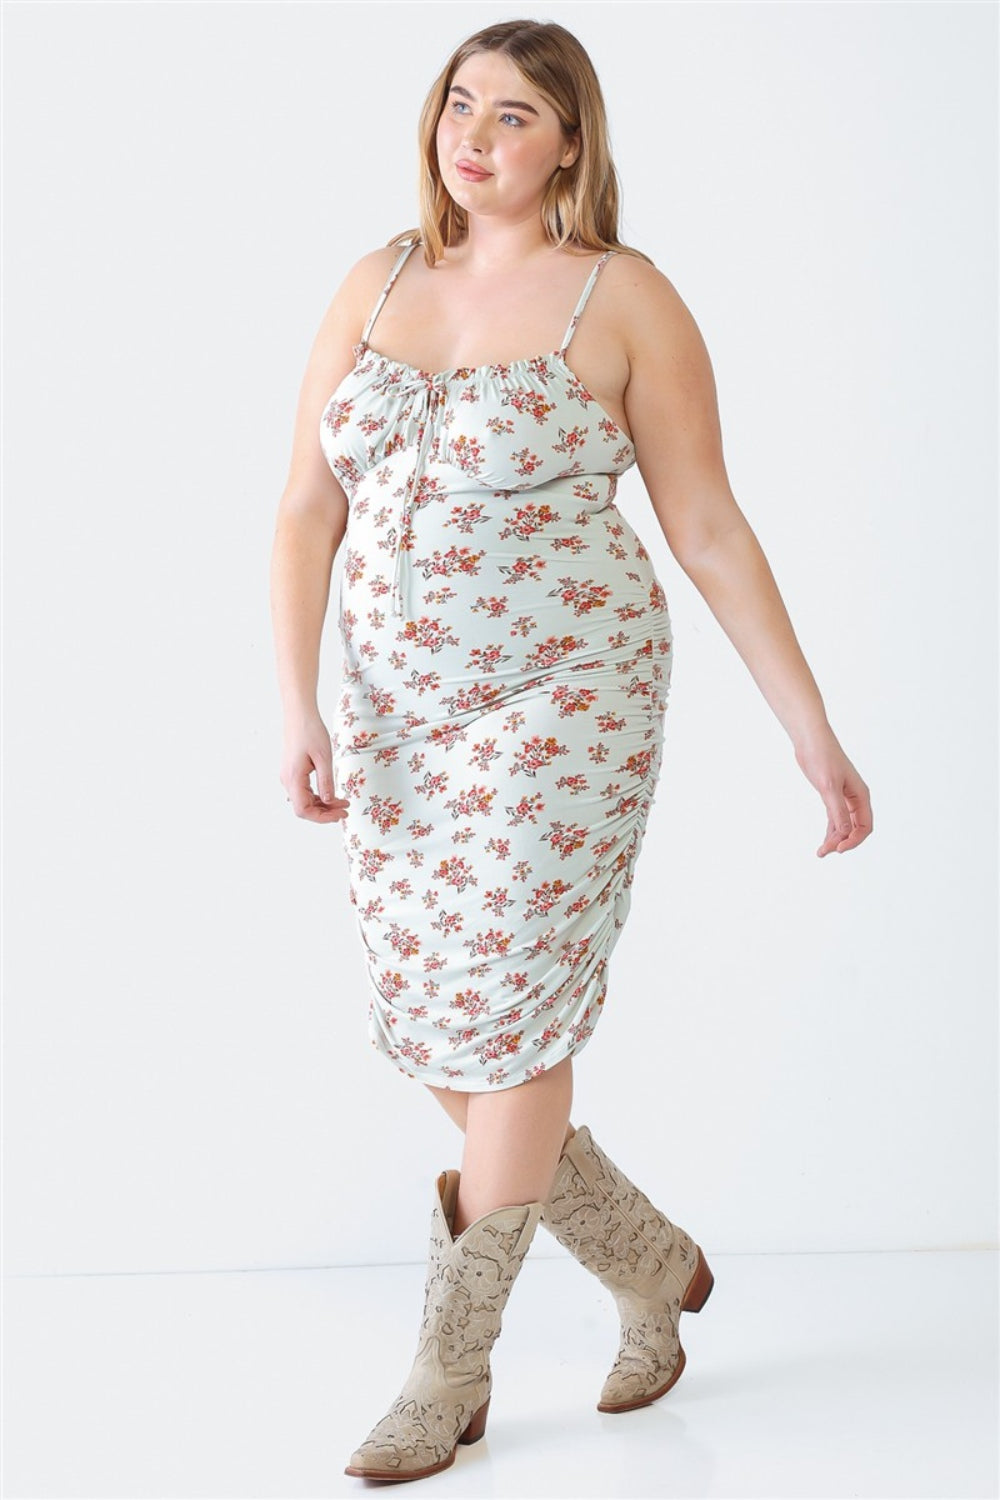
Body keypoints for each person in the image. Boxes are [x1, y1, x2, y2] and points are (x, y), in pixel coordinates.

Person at [269, 16, 873, 1486]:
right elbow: (303, 508)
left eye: (517, 115)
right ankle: (651, 1264)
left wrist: (815, 735)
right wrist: (299, 705)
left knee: (515, 1021)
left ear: (572, 141)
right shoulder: (377, 278)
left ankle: (448, 1373)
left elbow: (709, 529)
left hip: (567, 708)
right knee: (447, 1024)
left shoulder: (626, 299)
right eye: (459, 106)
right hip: (399, 716)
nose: (476, 137)